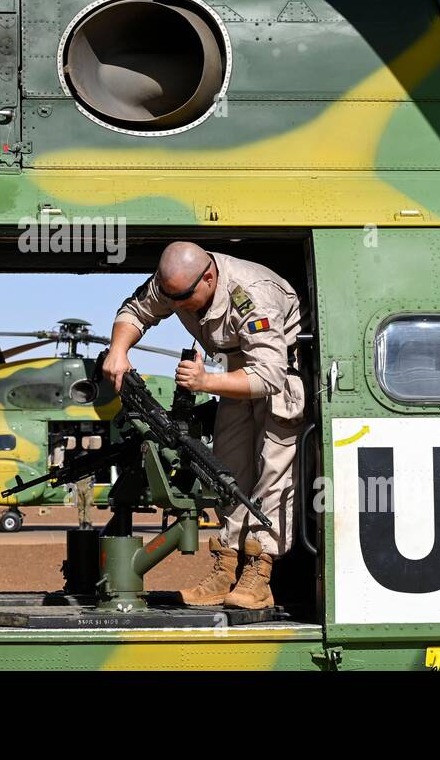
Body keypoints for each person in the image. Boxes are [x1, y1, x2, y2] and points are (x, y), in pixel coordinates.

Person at [103, 242, 304, 610]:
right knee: (225, 472)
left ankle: (259, 575)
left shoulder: (252, 294)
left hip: (275, 383)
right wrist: (119, 349)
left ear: (208, 278)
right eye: (169, 296)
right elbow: (136, 309)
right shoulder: (175, 284)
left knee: (272, 476)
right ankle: (225, 569)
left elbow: (269, 376)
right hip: (232, 377)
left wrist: (203, 383)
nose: (175, 305)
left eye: (182, 297)